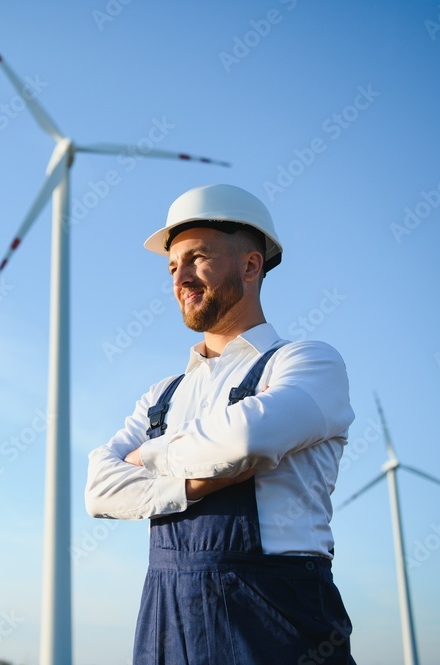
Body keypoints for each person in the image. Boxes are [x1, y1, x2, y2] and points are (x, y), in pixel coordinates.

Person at [84, 184, 357, 664]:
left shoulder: (307, 362)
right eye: (173, 266)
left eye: (197, 258)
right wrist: (197, 481)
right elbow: (99, 489)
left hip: (275, 614)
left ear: (251, 266)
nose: (181, 278)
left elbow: (250, 437)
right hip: (165, 614)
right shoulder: (161, 396)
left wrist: (148, 457)